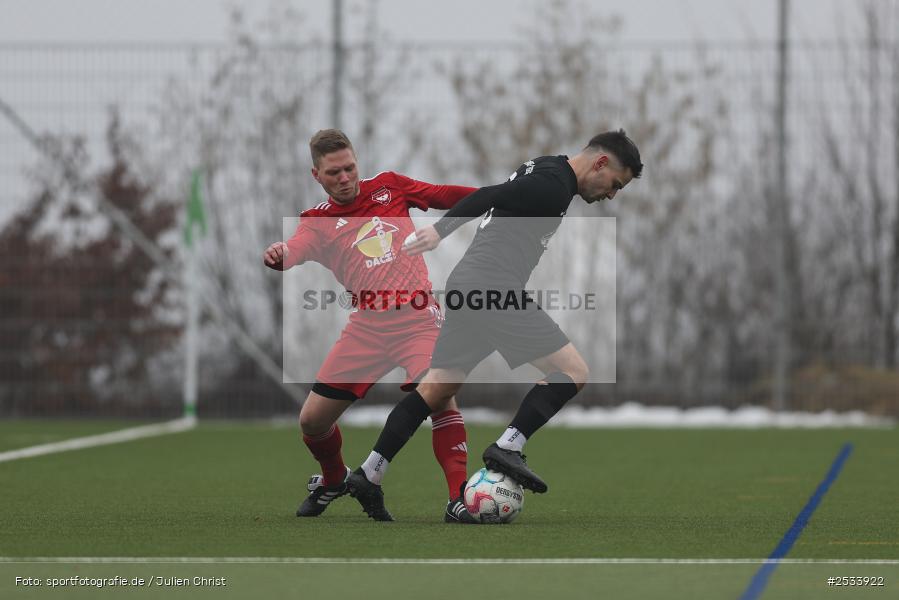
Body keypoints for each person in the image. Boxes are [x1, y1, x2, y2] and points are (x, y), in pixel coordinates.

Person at [346, 130, 643, 517]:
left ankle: (370, 472)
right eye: (615, 185)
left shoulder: (550, 166)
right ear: (600, 163)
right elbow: (489, 195)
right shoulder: (554, 185)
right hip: (491, 287)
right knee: (572, 371)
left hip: (467, 284)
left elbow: (501, 196)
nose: (611, 194)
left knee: (437, 387)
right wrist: (439, 230)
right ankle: (509, 446)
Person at [263, 129, 478, 522]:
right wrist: (281, 254)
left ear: (357, 162)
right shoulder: (317, 221)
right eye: (333, 173)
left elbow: (445, 194)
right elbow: (295, 248)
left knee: (440, 393)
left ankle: (458, 498)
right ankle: (334, 481)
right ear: (316, 175)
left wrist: (497, 197)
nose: (344, 178)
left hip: (417, 319)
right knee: (312, 421)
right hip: (366, 327)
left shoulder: (390, 187)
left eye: (349, 168)